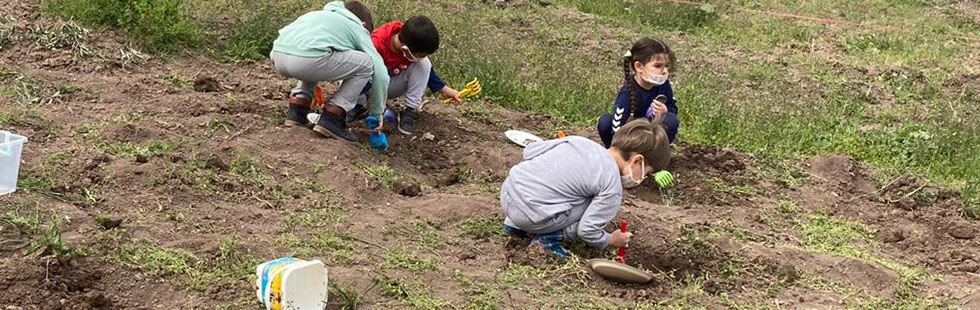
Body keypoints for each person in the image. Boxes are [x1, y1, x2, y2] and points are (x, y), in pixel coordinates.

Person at [501, 117, 671, 256]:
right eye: (646, 173)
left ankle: (513, 227)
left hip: (508, 195)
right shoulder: (611, 186)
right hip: (532, 217)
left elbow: (529, 152)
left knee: (558, 183)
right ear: (637, 161)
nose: (643, 178)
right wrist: (610, 239)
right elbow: (587, 230)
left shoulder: (577, 141)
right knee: (591, 202)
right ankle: (548, 239)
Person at [269, 0, 389, 143]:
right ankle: (333, 117)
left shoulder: (317, 15)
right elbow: (381, 74)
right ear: (363, 24)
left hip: (278, 57)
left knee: (317, 51)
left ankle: (298, 110)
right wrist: (377, 113)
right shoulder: (356, 26)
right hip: (306, 62)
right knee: (366, 63)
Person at [351, 16, 451, 135]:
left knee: (424, 63)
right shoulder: (376, 44)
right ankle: (355, 106)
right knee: (360, 66)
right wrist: (376, 108)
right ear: (405, 49)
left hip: (388, 85)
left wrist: (443, 89)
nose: (419, 58)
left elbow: (426, 69)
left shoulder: (409, 37)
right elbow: (357, 71)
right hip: (366, 85)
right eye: (420, 55)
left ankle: (410, 110)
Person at [597, 37, 681, 148]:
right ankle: (616, 156)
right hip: (629, 136)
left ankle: (657, 154)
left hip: (651, 133)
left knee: (671, 120)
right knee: (605, 122)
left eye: (666, 66)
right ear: (639, 67)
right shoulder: (628, 91)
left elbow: (673, 108)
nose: (665, 71)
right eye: (658, 66)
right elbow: (617, 126)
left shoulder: (664, 85)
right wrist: (622, 149)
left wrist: (665, 111)